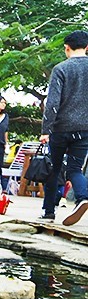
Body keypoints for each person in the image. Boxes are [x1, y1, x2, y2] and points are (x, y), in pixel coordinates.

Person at [41, 30, 88, 225]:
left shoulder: (61, 69)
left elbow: (52, 103)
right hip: (85, 129)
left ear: (66, 48)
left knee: (55, 168)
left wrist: (45, 130)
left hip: (60, 129)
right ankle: (83, 197)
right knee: (75, 169)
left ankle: (49, 212)